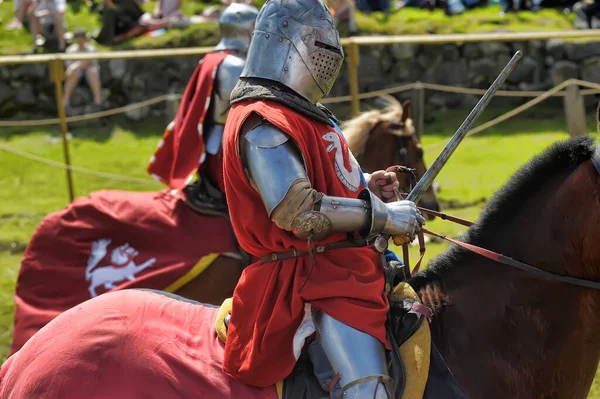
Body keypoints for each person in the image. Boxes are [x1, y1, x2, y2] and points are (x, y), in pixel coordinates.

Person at [220, 0, 425, 397]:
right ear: (287, 44)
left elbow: (332, 178)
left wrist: (367, 183)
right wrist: (383, 217)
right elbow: (301, 213)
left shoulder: (308, 112)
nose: (330, 59)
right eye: (323, 48)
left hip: (349, 266)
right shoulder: (263, 121)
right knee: (367, 392)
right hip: (309, 279)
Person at [148, 3, 259, 215]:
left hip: (215, 142)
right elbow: (244, 108)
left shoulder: (215, 57)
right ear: (246, 30)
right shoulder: (233, 65)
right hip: (229, 146)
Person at [62, 29, 103, 112]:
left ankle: (98, 102)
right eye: (78, 38)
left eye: (81, 38)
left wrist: (75, 66)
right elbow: (68, 68)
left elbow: (87, 62)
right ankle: (65, 103)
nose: (80, 40)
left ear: (85, 39)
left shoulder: (91, 49)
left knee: (92, 71)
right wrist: (74, 68)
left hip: (90, 75)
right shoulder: (70, 50)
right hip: (76, 76)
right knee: (74, 73)